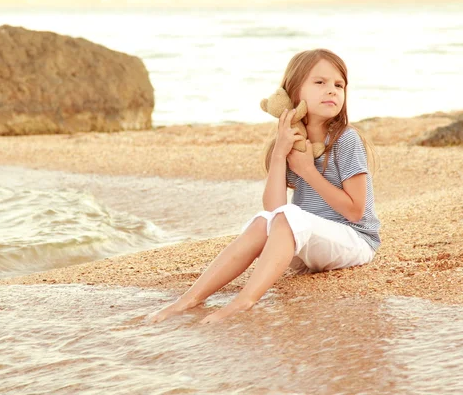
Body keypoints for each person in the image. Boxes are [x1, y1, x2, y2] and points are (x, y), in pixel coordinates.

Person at [149, 49, 380, 324]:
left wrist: (308, 170)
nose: (331, 90)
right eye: (320, 83)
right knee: (261, 221)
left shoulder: (346, 140)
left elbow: (355, 212)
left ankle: (243, 301)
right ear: (294, 92)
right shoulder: (289, 144)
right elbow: (274, 210)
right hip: (304, 244)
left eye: (338, 85)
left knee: (287, 217)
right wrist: (281, 153)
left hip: (354, 242)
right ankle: (190, 298)